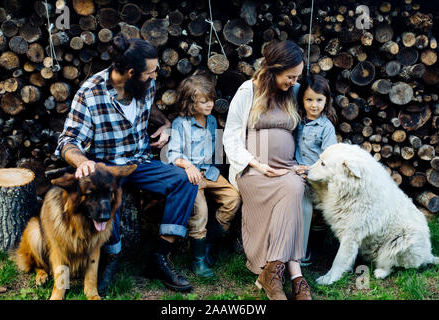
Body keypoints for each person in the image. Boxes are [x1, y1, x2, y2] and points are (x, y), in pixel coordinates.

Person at [55, 33, 198, 294]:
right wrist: (82, 161)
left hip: (139, 162)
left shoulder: (143, 85)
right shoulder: (90, 93)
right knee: (106, 198)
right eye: (151, 72)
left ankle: (160, 256)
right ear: (131, 72)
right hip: (107, 168)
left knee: (185, 181)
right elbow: (68, 141)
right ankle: (112, 257)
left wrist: (165, 124)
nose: (155, 76)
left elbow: (148, 108)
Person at [223, 40, 312, 300]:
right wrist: (257, 164)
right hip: (254, 170)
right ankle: (296, 276)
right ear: (274, 69)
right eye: (290, 76)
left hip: (286, 169)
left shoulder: (293, 93)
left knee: (295, 187)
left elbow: (308, 131)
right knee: (292, 189)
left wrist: (302, 163)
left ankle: (273, 272)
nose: (295, 82)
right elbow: (229, 136)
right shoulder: (247, 91)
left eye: (298, 76)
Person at [166, 75, 241, 278]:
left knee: (233, 199)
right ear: (190, 102)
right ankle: (197, 259)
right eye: (203, 101)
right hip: (191, 177)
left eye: (211, 99)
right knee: (201, 212)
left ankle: (209, 244)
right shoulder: (181, 124)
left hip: (210, 172)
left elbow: (216, 149)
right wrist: (188, 166)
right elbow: (172, 153)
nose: (210, 104)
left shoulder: (212, 121)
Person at [295, 74, 337, 267]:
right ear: (302, 100)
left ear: (326, 100)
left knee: (315, 210)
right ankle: (299, 246)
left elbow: (328, 158)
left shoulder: (326, 127)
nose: (314, 105)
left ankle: (312, 247)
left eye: (319, 100)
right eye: (309, 100)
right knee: (301, 206)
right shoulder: (297, 121)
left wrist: (311, 170)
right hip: (296, 172)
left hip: (317, 177)